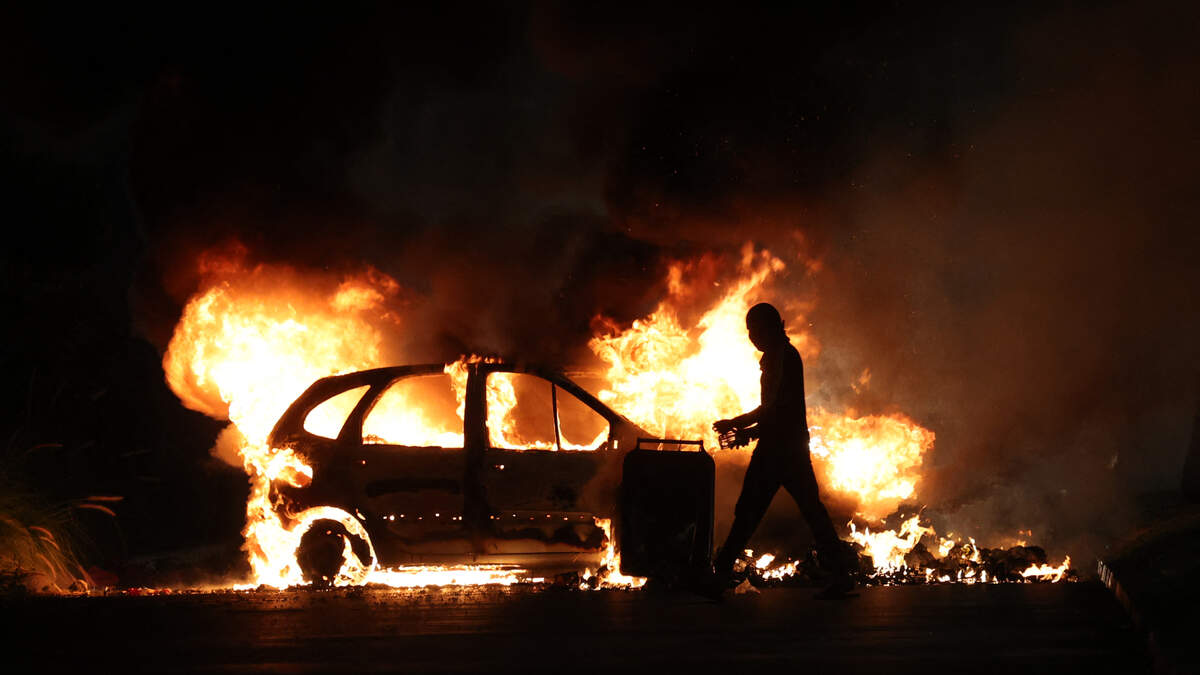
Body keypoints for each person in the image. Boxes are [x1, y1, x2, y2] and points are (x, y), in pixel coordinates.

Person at [708, 302, 855, 597]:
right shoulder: (779, 356)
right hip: (787, 447)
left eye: (755, 330)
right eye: (749, 331)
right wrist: (744, 428)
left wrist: (742, 426)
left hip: (779, 450)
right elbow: (773, 411)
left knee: (750, 512)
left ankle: (719, 576)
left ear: (770, 328)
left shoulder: (783, 358)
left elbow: (776, 409)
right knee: (807, 511)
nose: (752, 337)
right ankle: (841, 574)